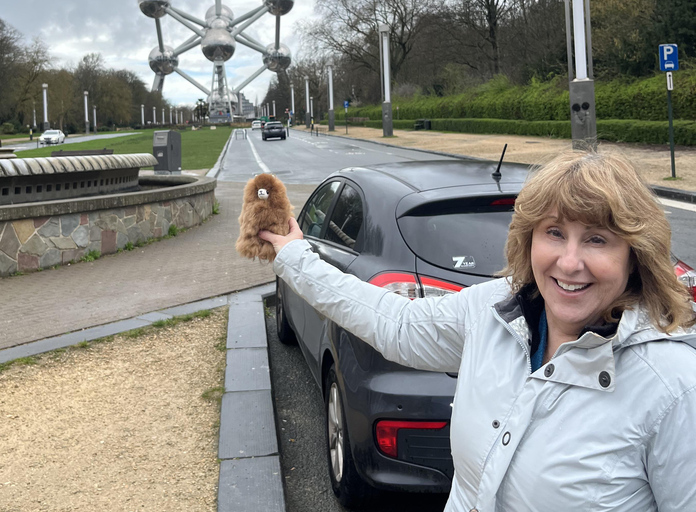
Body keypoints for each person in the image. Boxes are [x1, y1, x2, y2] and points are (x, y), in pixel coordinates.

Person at [259, 150, 696, 512]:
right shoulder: (494, 310)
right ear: (528, 240)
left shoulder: (674, 387)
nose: (568, 262)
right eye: (554, 233)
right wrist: (296, 255)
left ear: (634, 254)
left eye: (597, 239)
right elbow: (395, 323)